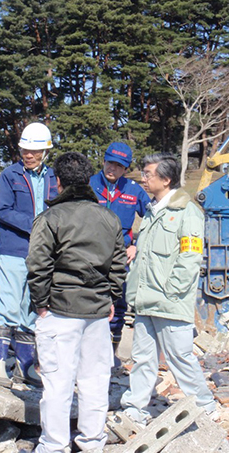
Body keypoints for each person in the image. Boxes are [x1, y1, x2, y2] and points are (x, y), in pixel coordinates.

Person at [27, 152, 126, 453]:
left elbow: (37, 265)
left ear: (57, 182)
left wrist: (40, 303)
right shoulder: (108, 217)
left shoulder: (50, 218)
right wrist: (111, 297)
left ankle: (54, 445)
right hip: (96, 312)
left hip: (59, 309)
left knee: (58, 383)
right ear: (87, 180)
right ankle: (92, 443)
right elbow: (118, 264)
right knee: (95, 382)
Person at [120, 153, 217, 424]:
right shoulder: (152, 212)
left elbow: (190, 258)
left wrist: (172, 291)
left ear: (166, 179)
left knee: (180, 358)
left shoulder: (187, 214)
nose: (143, 178)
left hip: (170, 302)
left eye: (148, 174)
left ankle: (205, 408)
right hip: (145, 300)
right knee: (142, 359)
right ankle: (135, 409)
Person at [0, 122, 59, 387]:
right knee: (8, 304)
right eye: (25, 150)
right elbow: (4, 212)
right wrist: (37, 224)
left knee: (32, 308)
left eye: (34, 151)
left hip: (43, 253)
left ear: (45, 151)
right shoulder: (10, 175)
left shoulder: (54, 177)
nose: (28, 155)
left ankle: (25, 366)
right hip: (15, 249)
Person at [89, 142, 150, 361]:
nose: (112, 169)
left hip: (119, 257)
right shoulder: (88, 185)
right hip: (88, 255)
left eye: (118, 166)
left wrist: (137, 244)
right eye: (110, 163)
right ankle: (88, 352)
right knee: (88, 301)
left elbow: (153, 219)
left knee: (118, 303)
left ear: (125, 168)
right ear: (103, 161)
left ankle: (111, 354)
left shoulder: (133, 190)